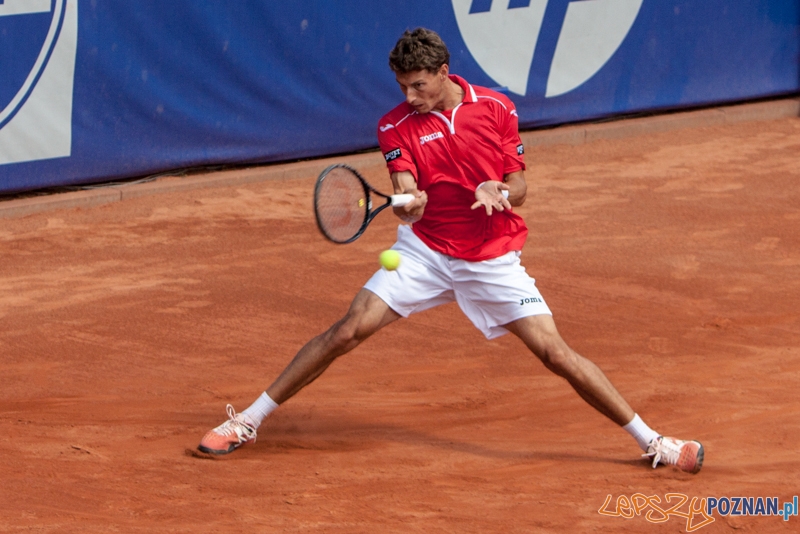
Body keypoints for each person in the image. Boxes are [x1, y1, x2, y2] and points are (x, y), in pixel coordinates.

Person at [198, 28, 704, 474]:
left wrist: (499, 190)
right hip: (425, 251)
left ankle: (654, 442)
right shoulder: (394, 125)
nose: (410, 96)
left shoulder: (497, 108)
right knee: (347, 330)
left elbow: (520, 185)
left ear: (444, 72)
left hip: (491, 256)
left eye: (419, 85)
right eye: (402, 86)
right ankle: (248, 421)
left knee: (556, 353)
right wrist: (410, 205)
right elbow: (405, 191)